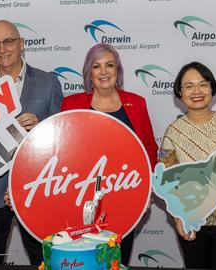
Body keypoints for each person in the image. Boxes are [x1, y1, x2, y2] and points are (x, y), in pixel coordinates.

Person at [0, 19, 63, 265]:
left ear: (22, 44)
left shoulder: (49, 83)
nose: (2, 48)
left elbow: (62, 136)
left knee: (45, 261)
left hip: (36, 189)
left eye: (8, 41)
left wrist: (40, 126)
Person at [60, 43, 158, 265]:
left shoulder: (137, 103)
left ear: (118, 71)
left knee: (117, 260)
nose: (103, 72)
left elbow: (149, 149)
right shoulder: (71, 103)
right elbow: (62, 151)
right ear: (89, 72)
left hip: (125, 196)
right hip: (80, 199)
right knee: (84, 260)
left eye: (109, 65)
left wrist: (146, 191)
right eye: (96, 66)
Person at [159, 61, 216, 270]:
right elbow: (167, 181)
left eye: (203, 84)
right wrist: (178, 218)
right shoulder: (173, 131)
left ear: (212, 88)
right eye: (189, 86)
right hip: (192, 221)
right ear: (180, 93)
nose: (197, 91)